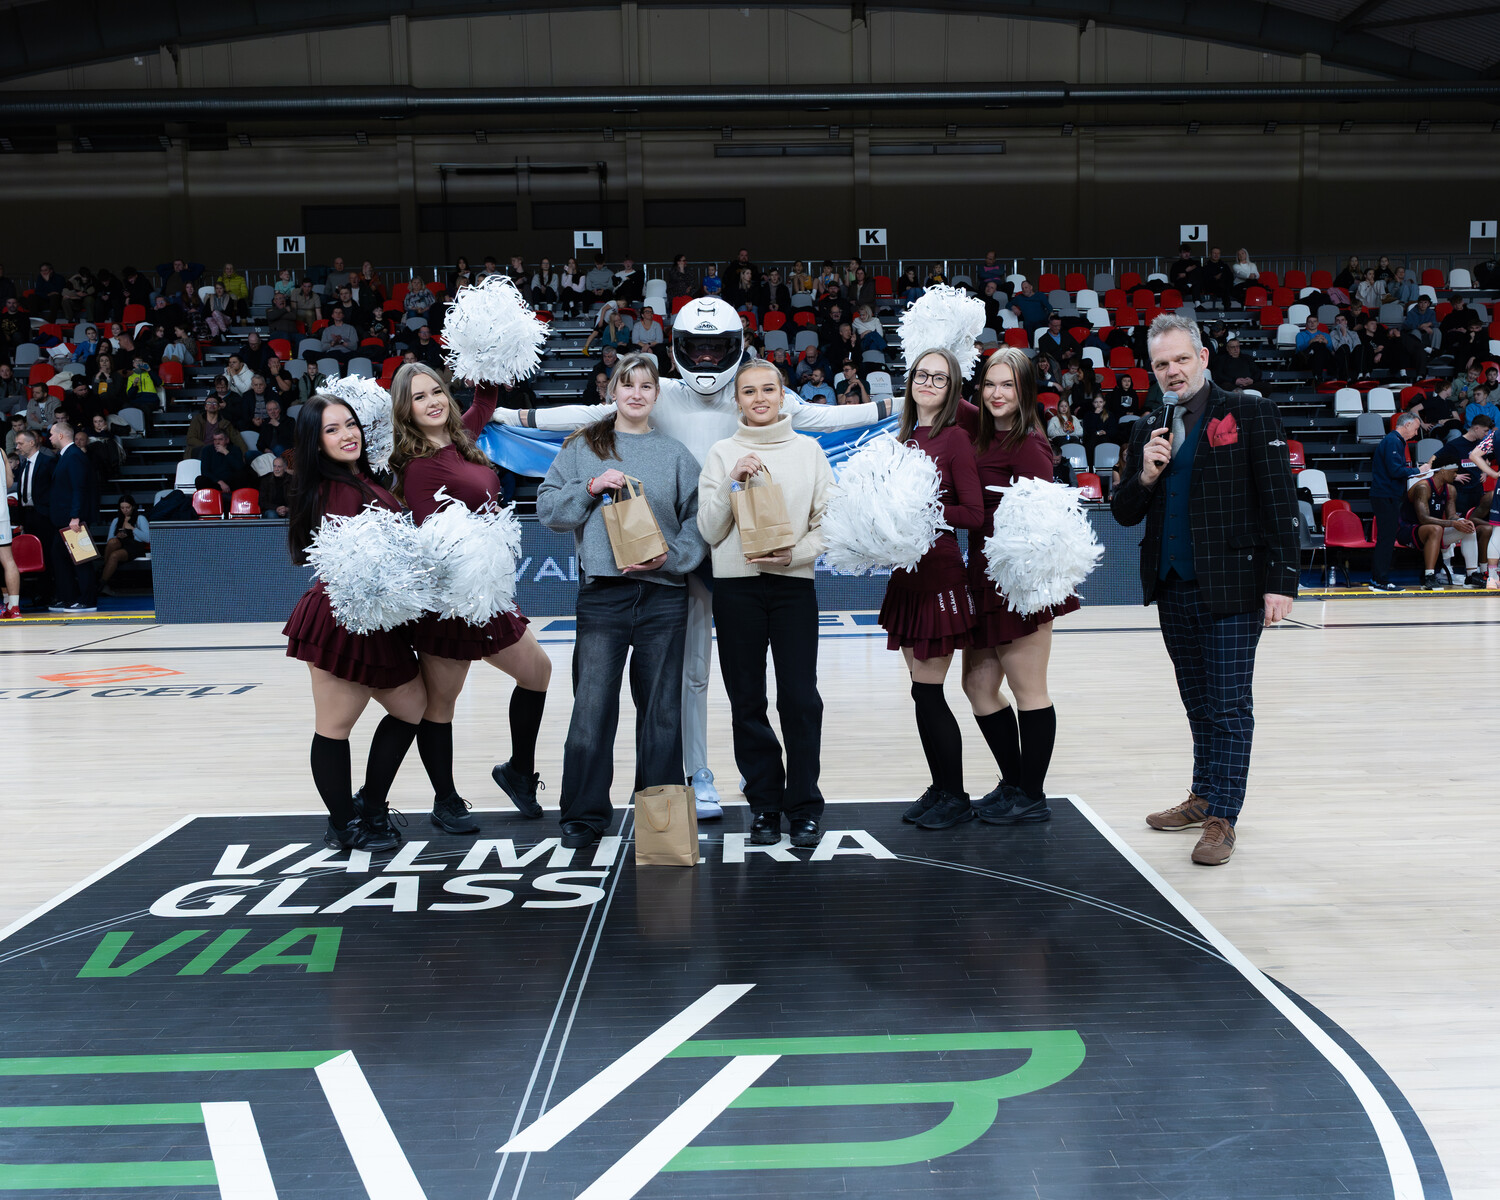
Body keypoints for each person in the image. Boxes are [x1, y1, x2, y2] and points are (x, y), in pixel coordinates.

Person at [493, 296, 894, 816]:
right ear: (677, 349)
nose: (706, 359)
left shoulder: (754, 390)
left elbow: (830, 415)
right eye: (696, 348)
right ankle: (695, 772)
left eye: (717, 349)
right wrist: (506, 414)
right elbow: (588, 414)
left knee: (719, 677)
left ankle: (730, 775)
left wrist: (904, 405)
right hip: (689, 545)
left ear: (739, 349)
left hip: (727, 550)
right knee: (689, 674)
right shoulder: (660, 394)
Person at [1110, 314, 1299, 866]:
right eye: (1161, 364)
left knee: (1229, 705)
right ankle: (1203, 795)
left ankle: (1223, 817)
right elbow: (1124, 513)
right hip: (1173, 586)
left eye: (1181, 359)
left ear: (1203, 358)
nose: (1172, 371)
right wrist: (1146, 475)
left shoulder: (1249, 411)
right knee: (1197, 703)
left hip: (1235, 586)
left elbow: (1279, 501)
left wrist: (1281, 582)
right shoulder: (1148, 428)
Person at [536, 354, 706, 850]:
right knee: (591, 709)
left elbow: (699, 522)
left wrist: (671, 558)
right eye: (627, 385)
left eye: (646, 386)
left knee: (661, 714)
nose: (636, 394)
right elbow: (548, 508)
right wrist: (590, 486)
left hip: (664, 597)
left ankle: (659, 823)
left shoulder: (675, 455)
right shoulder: (583, 447)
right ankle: (583, 816)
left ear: (656, 395)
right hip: (603, 596)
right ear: (612, 391)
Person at [389, 362, 553, 831]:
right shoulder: (418, 467)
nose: (432, 402)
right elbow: (434, 537)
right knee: (442, 704)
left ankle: (518, 772)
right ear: (405, 410)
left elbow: (484, 400)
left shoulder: (460, 436)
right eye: (419, 397)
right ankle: (445, 801)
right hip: (450, 602)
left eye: (436, 391)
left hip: (489, 595)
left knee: (537, 672)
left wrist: (489, 359)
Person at [698, 359, 832, 847]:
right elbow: (709, 529)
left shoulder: (810, 451)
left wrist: (794, 554)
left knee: (800, 699)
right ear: (737, 399)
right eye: (749, 391)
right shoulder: (722, 453)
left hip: (793, 588)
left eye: (768, 389)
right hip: (736, 590)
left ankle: (804, 806)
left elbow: (827, 523)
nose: (759, 398)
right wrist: (733, 481)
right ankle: (764, 806)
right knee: (747, 700)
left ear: (782, 395)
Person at [283, 394, 427, 851]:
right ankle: (343, 825)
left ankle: (371, 805)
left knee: (412, 708)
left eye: (350, 424)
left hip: (377, 619)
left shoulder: (359, 477)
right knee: (335, 725)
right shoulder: (334, 491)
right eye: (332, 429)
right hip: (341, 621)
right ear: (315, 442)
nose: (347, 435)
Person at [959, 346, 1079, 825]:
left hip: (1018, 583)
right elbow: (946, 397)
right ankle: (1013, 783)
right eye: (989, 383)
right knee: (977, 686)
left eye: (1008, 384)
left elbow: (1040, 525)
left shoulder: (1029, 444)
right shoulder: (982, 431)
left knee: (1028, 688)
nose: (996, 393)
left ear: (1025, 390)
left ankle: (1032, 795)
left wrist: (1026, 588)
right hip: (982, 576)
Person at [881, 348, 984, 831]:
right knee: (920, 693)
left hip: (939, 576)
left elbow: (974, 513)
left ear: (952, 389)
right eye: (922, 375)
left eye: (939, 378)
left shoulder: (956, 438)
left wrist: (926, 510)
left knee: (928, 691)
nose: (927, 382)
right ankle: (941, 787)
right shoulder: (903, 438)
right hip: (906, 576)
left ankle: (956, 795)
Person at [1397, 467, 1486, 590]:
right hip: (1408, 530)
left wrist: (1460, 521)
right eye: (1453, 472)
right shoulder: (1423, 487)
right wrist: (1452, 523)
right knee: (1436, 529)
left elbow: (1451, 516)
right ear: (1442, 471)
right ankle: (1429, 577)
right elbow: (1423, 519)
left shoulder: (1450, 489)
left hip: (1434, 531)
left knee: (1468, 527)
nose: (1456, 475)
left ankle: (1471, 576)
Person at [1368, 411, 1426, 591]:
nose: (1416, 433)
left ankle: (1378, 579)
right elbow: (1395, 471)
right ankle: (1380, 580)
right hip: (1385, 495)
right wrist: (1418, 471)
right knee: (1386, 539)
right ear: (1407, 425)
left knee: (1386, 538)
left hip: (1387, 494)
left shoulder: (1396, 441)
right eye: (1415, 428)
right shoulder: (1393, 441)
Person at [46, 419, 99, 613]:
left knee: (81, 558)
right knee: (59, 557)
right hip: (62, 519)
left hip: (72, 519)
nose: (49, 438)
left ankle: (88, 600)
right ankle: (68, 598)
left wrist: (75, 516)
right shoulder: (66, 455)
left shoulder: (74, 455)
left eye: (52, 434)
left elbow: (79, 488)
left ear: (60, 435)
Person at [99, 495, 149, 595]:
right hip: (121, 544)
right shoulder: (116, 520)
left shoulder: (140, 518)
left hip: (135, 546)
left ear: (133, 507)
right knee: (112, 542)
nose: (125, 510)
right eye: (122, 508)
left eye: (127, 507)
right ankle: (104, 579)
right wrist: (118, 536)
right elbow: (109, 541)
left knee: (114, 556)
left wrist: (132, 528)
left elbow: (147, 538)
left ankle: (100, 583)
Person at [0, 447, 19, 618]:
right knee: (8, 560)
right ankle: (13, 607)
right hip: (2, 515)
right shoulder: (1, 452)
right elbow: (8, 483)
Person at [259, 453, 293, 518]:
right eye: (274, 466)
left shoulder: (292, 480)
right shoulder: (266, 480)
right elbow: (262, 502)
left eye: (279, 467)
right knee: (272, 514)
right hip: (271, 509)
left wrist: (287, 509)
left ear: (285, 468)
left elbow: (297, 500)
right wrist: (276, 508)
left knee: (292, 515)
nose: (276, 469)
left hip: (288, 509)